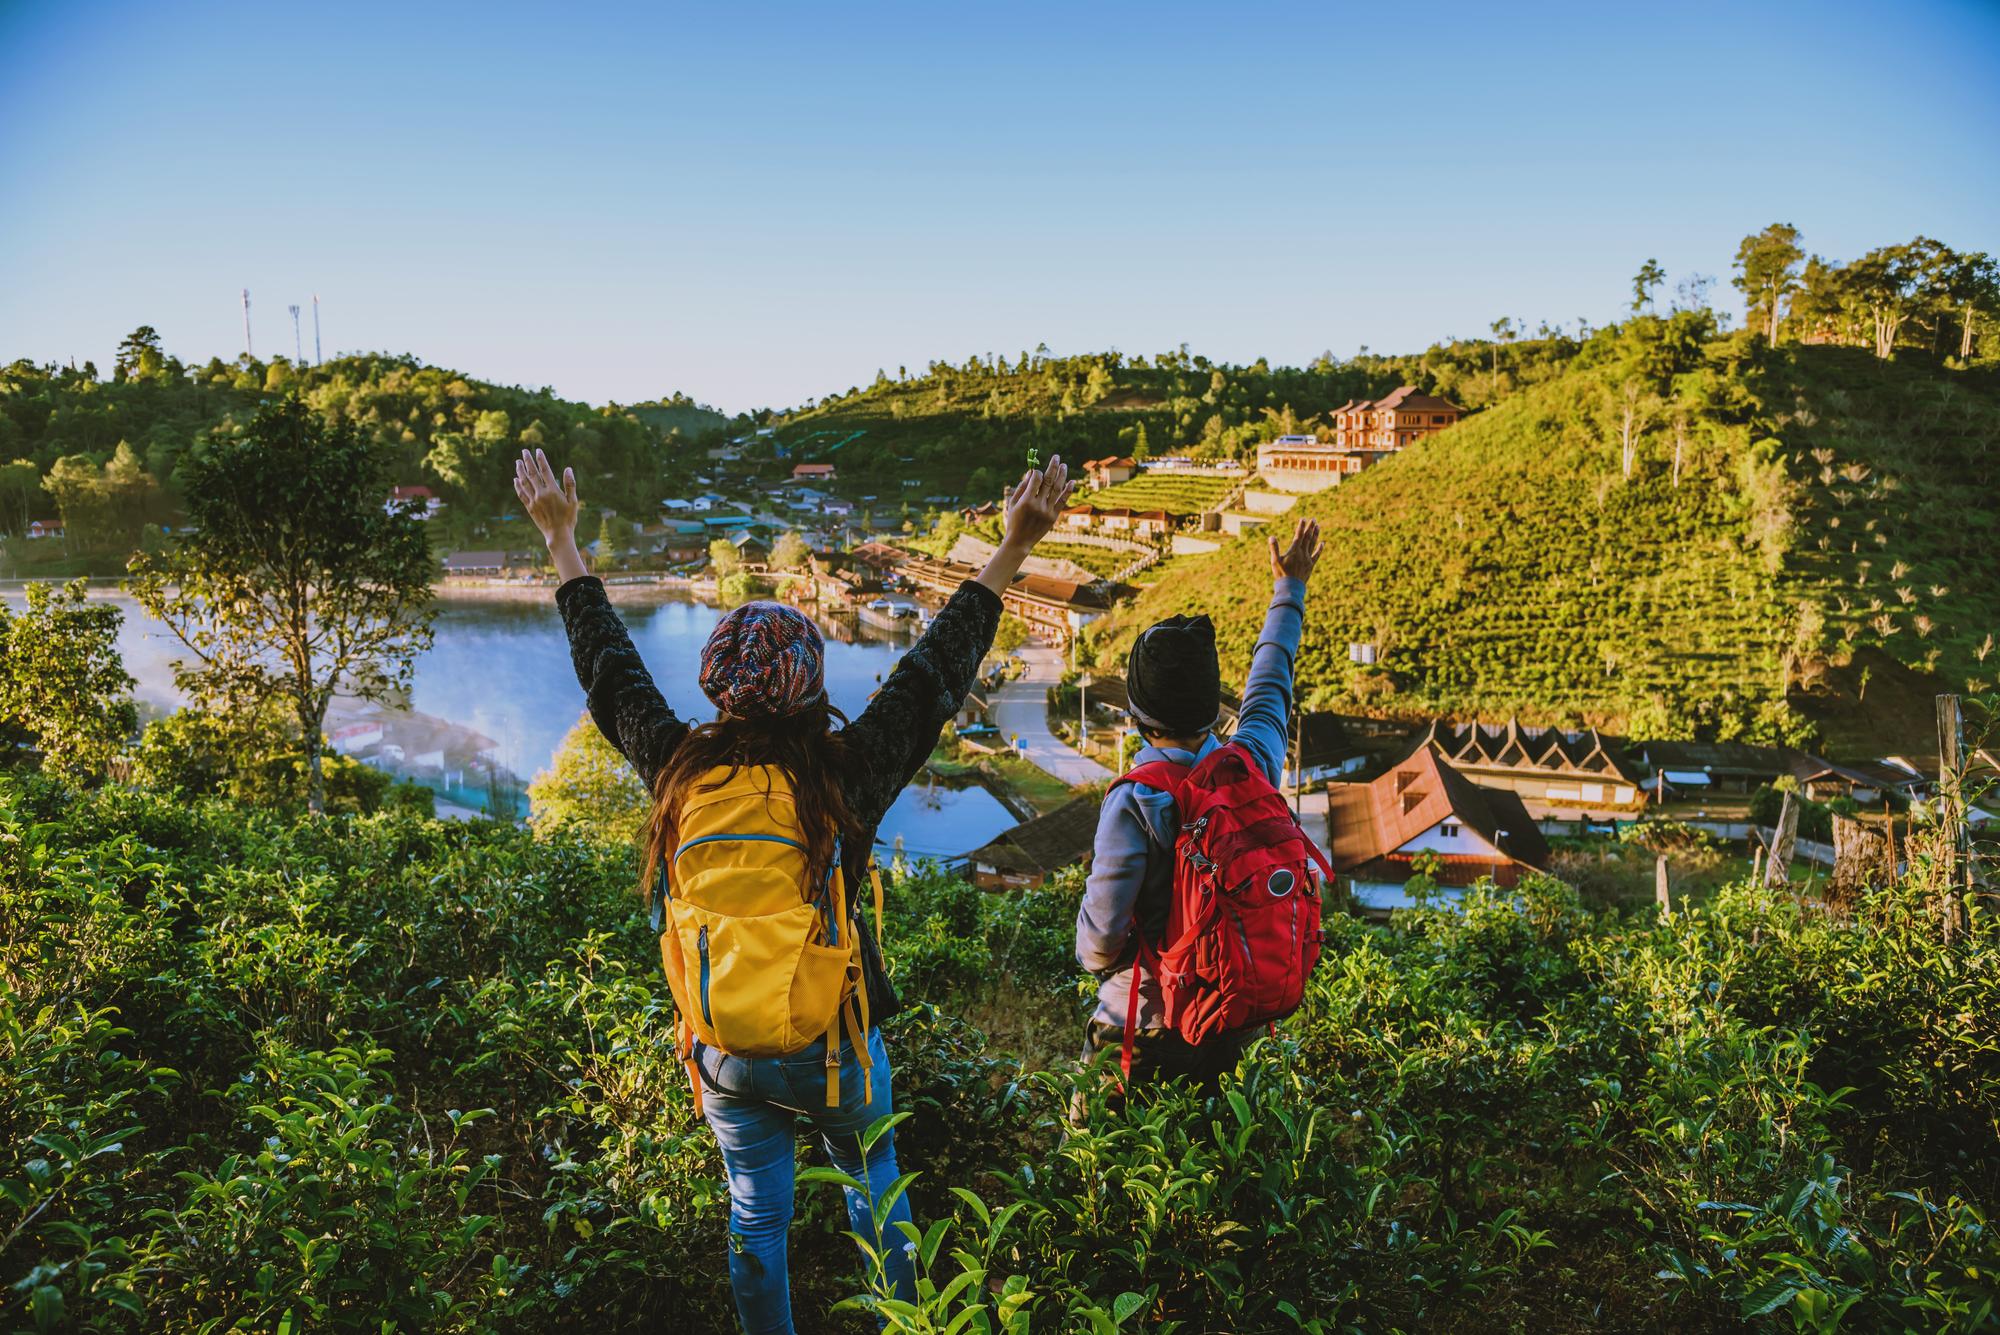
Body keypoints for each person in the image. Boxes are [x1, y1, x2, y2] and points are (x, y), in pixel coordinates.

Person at [513, 448, 1073, 1335]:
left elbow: (608, 671)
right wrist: (1012, 544)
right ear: (809, 680)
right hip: (835, 1039)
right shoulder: (842, 774)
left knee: (756, 1216)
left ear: (716, 682)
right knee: (873, 1189)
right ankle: (905, 1323)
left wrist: (562, 539)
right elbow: (935, 671)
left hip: (724, 1041)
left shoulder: (678, 768)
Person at [1073, 517, 1323, 1107]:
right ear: (1214, 706)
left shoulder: (1137, 800)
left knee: (1098, 1179)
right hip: (1231, 1022)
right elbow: (1271, 684)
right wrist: (1289, 590)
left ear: (1136, 712)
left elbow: (1098, 947)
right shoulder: (1251, 765)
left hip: (1141, 1029)